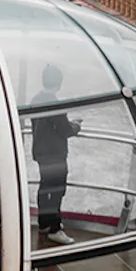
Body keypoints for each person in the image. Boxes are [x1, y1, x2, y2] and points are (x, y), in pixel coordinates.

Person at [30, 66, 81, 244]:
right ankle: (55, 229)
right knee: (57, 191)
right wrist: (76, 126)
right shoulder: (54, 104)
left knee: (45, 188)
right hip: (55, 156)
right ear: (58, 83)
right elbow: (65, 130)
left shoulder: (35, 99)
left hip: (41, 154)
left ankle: (44, 222)